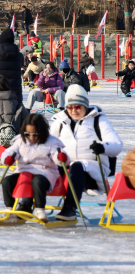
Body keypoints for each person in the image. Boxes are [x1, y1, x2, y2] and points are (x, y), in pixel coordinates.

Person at [49, 85, 124, 221]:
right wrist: (56, 155)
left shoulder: (98, 120)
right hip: (65, 166)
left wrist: (102, 147)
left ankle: (70, 208)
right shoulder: (60, 122)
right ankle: (26, 205)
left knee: (77, 166)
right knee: (38, 169)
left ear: (85, 105)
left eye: (78, 107)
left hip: (92, 171)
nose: (74, 111)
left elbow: (117, 144)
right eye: (70, 107)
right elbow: (47, 145)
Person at [0, 114, 68, 223]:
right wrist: (7, 158)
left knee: (37, 182)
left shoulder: (51, 142)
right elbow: (11, 151)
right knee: (7, 181)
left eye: (35, 134)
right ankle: (10, 209)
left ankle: (40, 210)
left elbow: (57, 155)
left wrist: (61, 158)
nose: (31, 137)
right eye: (28, 133)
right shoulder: (21, 141)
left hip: (45, 172)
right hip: (24, 171)